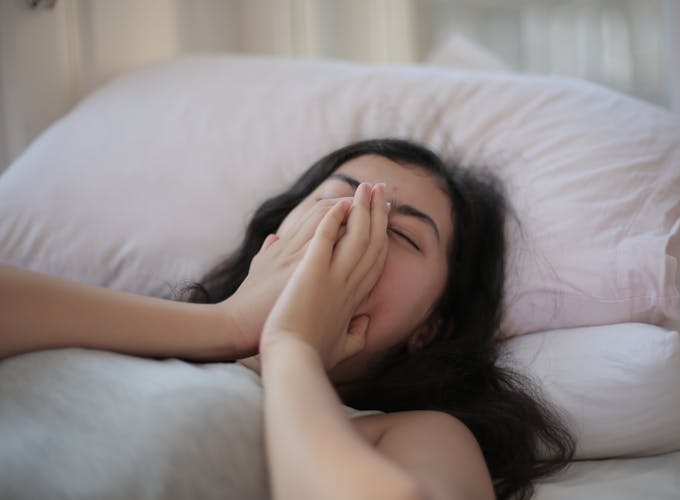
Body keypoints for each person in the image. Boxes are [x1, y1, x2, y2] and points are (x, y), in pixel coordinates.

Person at [1, 139, 574, 500]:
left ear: (431, 327)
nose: (354, 228)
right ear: (274, 237)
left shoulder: (410, 435)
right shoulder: (126, 325)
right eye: (336, 200)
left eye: (401, 234)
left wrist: (291, 350)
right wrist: (228, 326)